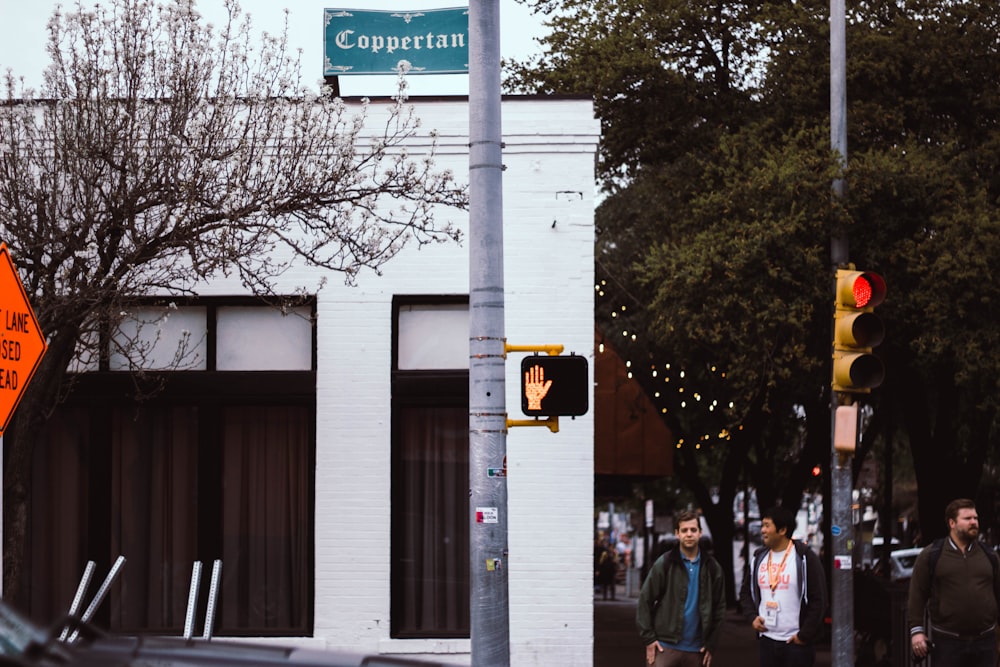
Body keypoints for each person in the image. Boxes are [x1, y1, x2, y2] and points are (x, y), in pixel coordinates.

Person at [907, 498, 1000, 667]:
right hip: (948, 642)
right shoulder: (932, 555)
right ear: (952, 523)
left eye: (975, 518)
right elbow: (917, 594)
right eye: (967, 519)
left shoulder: (989, 555)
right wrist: (917, 631)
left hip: (985, 642)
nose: (974, 522)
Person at [739, 505, 827, 667]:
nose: (762, 530)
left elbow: (819, 599)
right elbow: (745, 593)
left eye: (767, 526)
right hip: (767, 641)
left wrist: (804, 635)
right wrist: (752, 617)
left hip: (796, 644)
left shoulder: (805, 558)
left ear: (782, 530)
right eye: (762, 525)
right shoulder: (759, 558)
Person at [636, 510, 726, 666]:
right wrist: (649, 639)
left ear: (700, 533)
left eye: (693, 530)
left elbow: (719, 608)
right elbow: (645, 600)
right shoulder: (665, 563)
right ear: (677, 533)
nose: (689, 534)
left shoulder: (712, 567)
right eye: (684, 530)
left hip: (697, 650)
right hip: (665, 647)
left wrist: (711, 644)